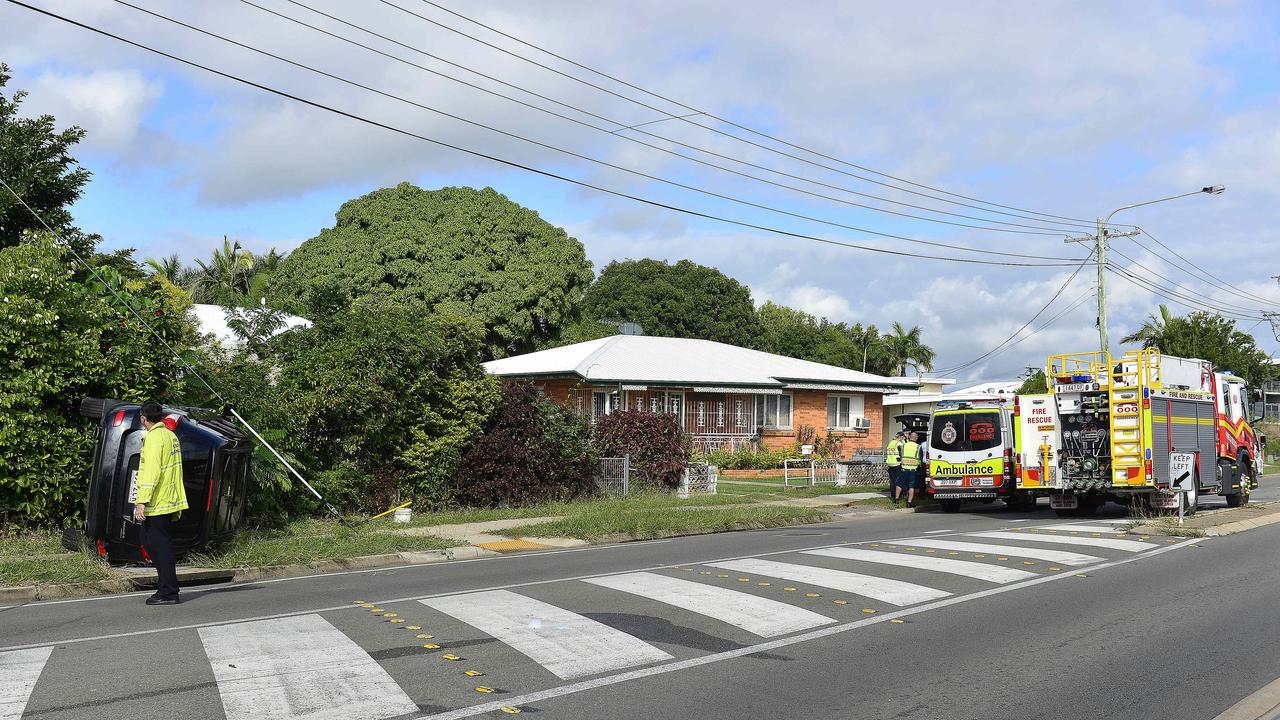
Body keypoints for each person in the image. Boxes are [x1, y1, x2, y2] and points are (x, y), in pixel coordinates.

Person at [134, 401, 187, 605]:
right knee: (150, 541)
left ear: (143, 418)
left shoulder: (154, 438)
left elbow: (151, 472)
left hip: (157, 501)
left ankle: (168, 591)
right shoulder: (170, 435)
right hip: (167, 498)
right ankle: (167, 587)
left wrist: (142, 502)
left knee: (159, 546)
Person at [899, 431, 923, 508]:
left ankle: (896, 499)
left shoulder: (904, 445)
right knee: (911, 486)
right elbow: (920, 458)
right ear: (916, 438)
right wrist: (921, 467)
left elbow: (901, 455)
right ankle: (909, 502)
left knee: (899, 483)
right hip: (913, 469)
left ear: (909, 437)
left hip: (904, 467)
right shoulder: (918, 447)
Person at [885, 431, 905, 503]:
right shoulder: (899, 443)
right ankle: (898, 496)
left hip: (890, 464)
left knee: (892, 481)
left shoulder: (890, 443)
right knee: (898, 481)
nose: (903, 439)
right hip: (897, 464)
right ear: (900, 437)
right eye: (903, 437)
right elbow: (901, 454)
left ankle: (893, 495)